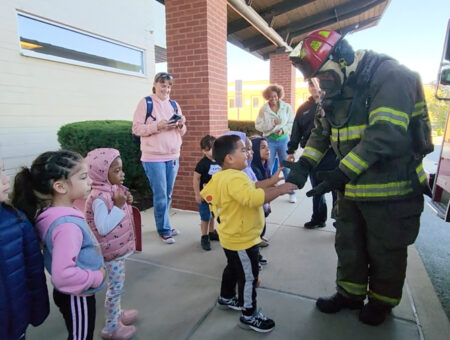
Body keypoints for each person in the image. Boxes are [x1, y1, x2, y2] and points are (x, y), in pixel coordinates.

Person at [286, 29, 433, 326]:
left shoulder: (391, 76)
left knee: (386, 249)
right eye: (317, 79)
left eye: (323, 76)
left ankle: (382, 302)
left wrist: (341, 172)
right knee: (348, 244)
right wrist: (304, 166)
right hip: (351, 189)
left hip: (391, 190)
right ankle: (350, 295)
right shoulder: (338, 85)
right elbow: (321, 132)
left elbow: (386, 134)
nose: (321, 84)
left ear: (344, 58)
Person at [201, 134, 297, 333]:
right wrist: (279, 190)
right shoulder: (235, 178)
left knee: (233, 269)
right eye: (243, 150)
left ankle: (226, 298)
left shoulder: (223, 176)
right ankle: (248, 315)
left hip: (231, 236)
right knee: (249, 276)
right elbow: (252, 198)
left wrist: (270, 182)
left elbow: (250, 187)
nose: (248, 153)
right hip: (242, 239)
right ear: (229, 158)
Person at [12, 150, 107, 340]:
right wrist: (97, 276)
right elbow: (64, 275)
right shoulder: (66, 226)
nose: (90, 181)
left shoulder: (56, 212)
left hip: (73, 294)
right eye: (83, 177)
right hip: (77, 296)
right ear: (60, 187)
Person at [84, 148, 137, 340]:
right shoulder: (98, 197)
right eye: (116, 171)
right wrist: (118, 206)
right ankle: (111, 327)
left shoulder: (111, 189)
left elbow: (121, 209)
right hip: (110, 253)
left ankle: (117, 313)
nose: (122, 174)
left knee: (118, 286)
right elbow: (104, 227)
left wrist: (126, 201)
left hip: (116, 249)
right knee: (115, 288)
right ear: (101, 174)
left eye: (121, 169)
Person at [132, 72, 187, 244]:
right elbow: (136, 129)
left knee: (168, 194)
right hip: (153, 157)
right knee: (161, 194)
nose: (166, 88)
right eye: (163, 84)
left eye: (169, 85)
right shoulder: (146, 103)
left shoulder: (174, 104)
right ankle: (163, 229)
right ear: (155, 84)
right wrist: (158, 125)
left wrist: (181, 124)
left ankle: (165, 224)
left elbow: (182, 132)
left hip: (172, 155)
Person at [0, 159, 49, 340]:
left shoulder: (16, 220)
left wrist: (38, 310)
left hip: (16, 323)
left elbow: (34, 272)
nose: (6, 180)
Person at [286, 78, 338, 229]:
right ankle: (318, 218)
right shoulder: (304, 108)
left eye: (316, 83)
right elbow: (296, 130)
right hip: (312, 154)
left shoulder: (332, 103)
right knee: (316, 188)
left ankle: (340, 222)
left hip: (333, 153)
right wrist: (291, 150)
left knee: (336, 189)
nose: (314, 87)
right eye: (310, 84)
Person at [255, 84, 295, 203]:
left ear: (279, 95)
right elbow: (258, 125)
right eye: (271, 97)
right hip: (269, 141)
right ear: (267, 97)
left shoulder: (286, 107)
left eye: (275, 96)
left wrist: (283, 130)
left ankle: (291, 192)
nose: (273, 99)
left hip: (283, 140)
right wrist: (272, 124)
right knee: (268, 166)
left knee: (286, 166)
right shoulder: (264, 109)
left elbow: (292, 123)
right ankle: (268, 191)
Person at [193, 135, 221, 251]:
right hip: (204, 197)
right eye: (210, 149)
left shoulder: (219, 161)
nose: (213, 151)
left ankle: (211, 232)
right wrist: (197, 194)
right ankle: (204, 236)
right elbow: (196, 179)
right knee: (205, 217)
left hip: (214, 196)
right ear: (204, 151)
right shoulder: (202, 164)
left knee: (213, 214)